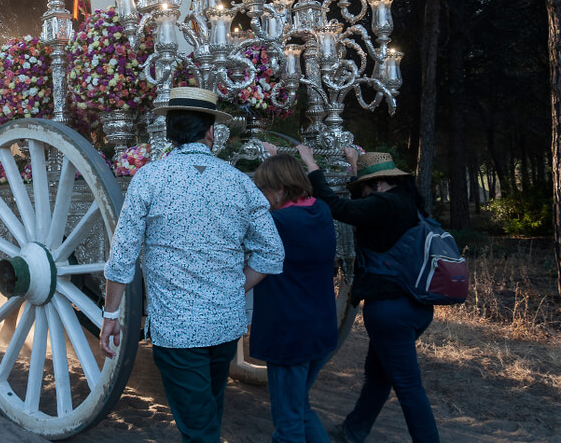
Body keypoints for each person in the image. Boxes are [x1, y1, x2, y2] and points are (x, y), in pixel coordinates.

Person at [101, 87, 285, 443]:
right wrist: (234, 288)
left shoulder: (149, 178)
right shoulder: (239, 182)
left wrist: (111, 316)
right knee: (208, 414)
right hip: (226, 326)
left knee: (199, 428)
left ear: (170, 132)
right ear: (210, 131)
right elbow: (272, 254)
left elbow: (122, 257)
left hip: (178, 330)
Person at [296, 145, 439, 443]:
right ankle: (352, 432)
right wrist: (354, 165)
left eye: (364, 188)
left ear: (378, 184)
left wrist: (311, 163)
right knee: (378, 376)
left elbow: (339, 207)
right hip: (414, 305)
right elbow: (366, 207)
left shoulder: (385, 204)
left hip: (391, 310)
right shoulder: (403, 201)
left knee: (408, 387)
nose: (361, 195)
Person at [251, 148, 337, 443]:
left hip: (289, 335)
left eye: (263, 188)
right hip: (321, 328)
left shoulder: (278, 224)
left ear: (280, 189)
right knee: (300, 407)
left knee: (287, 425)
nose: (259, 195)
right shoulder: (321, 211)